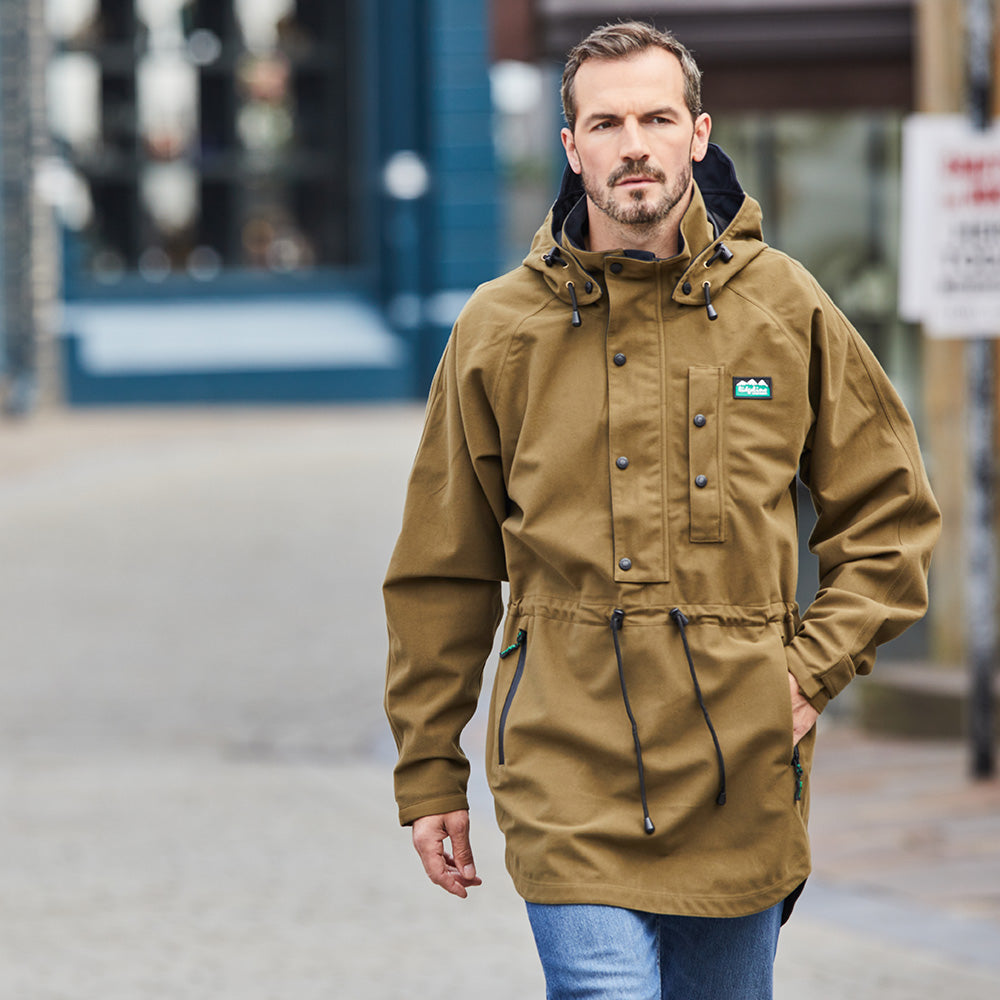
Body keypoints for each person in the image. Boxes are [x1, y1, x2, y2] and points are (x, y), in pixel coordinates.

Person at [383, 20, 940, 1000]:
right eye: (606, 124)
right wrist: (430, 768)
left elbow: (890, 516)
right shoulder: (497, 330)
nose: (632, 145)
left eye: (656, 118)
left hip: (740, 763)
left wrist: (809, 673)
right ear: (571, 147)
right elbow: (443, 568)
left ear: (698, 133)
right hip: (563, 762)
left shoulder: (786, 306)